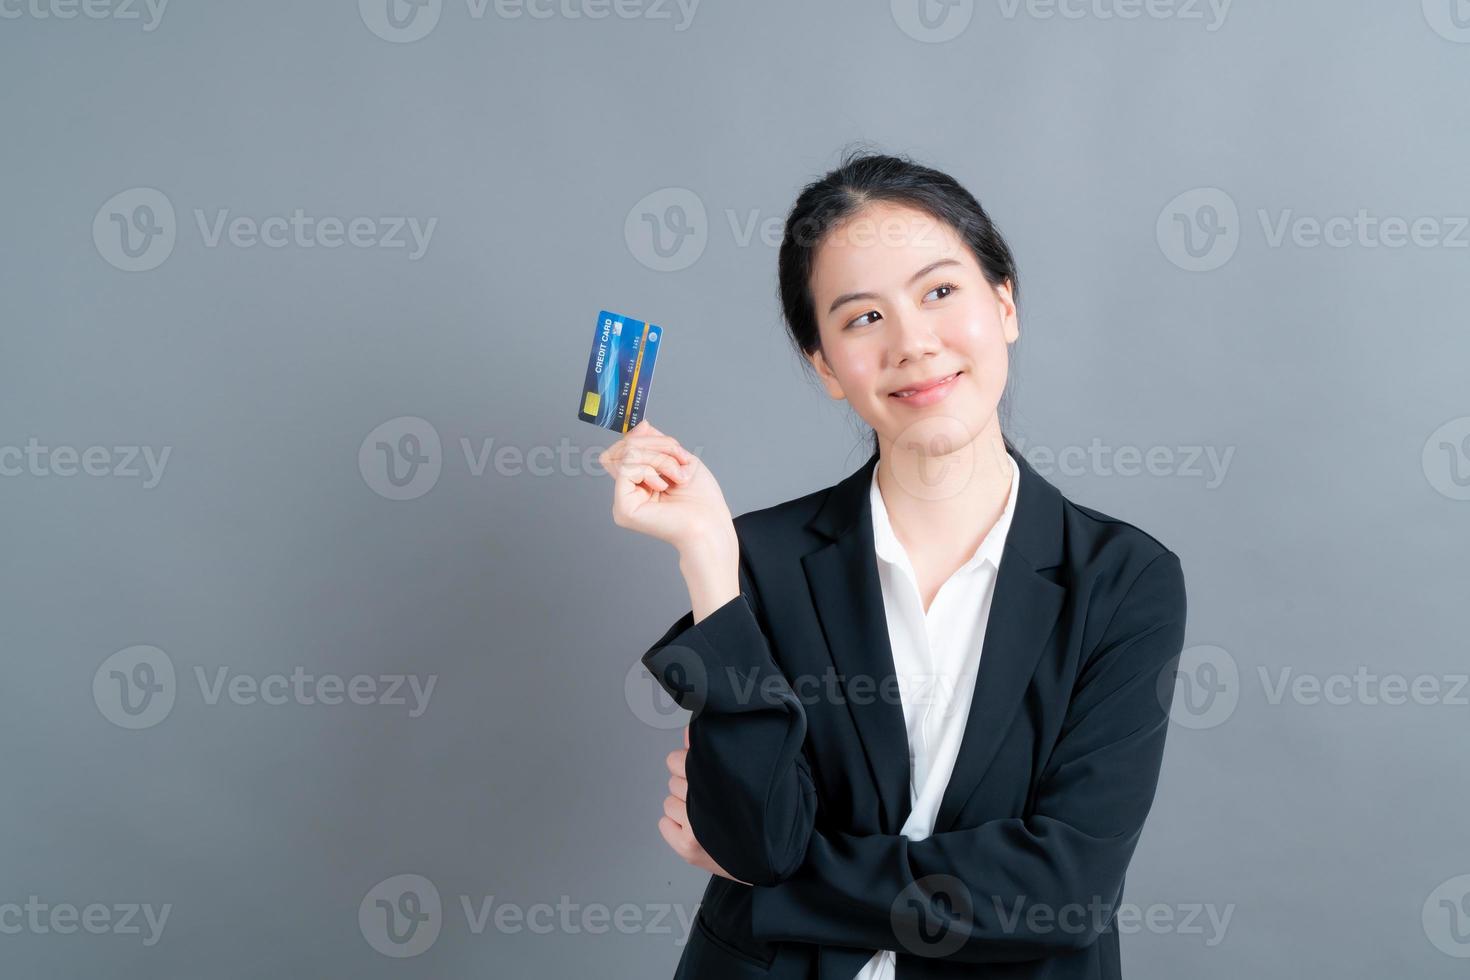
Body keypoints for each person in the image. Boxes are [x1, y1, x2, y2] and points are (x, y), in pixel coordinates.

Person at [598, 150, 1188, 980]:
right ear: (825, 366)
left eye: (940, 292)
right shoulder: (758, 561)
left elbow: (1062, 889)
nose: (913, 343)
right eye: (861, 318)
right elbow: (755, 837)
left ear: (1005, 302)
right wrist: (706, 555)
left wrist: (785, 883)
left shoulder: (1123, 580)